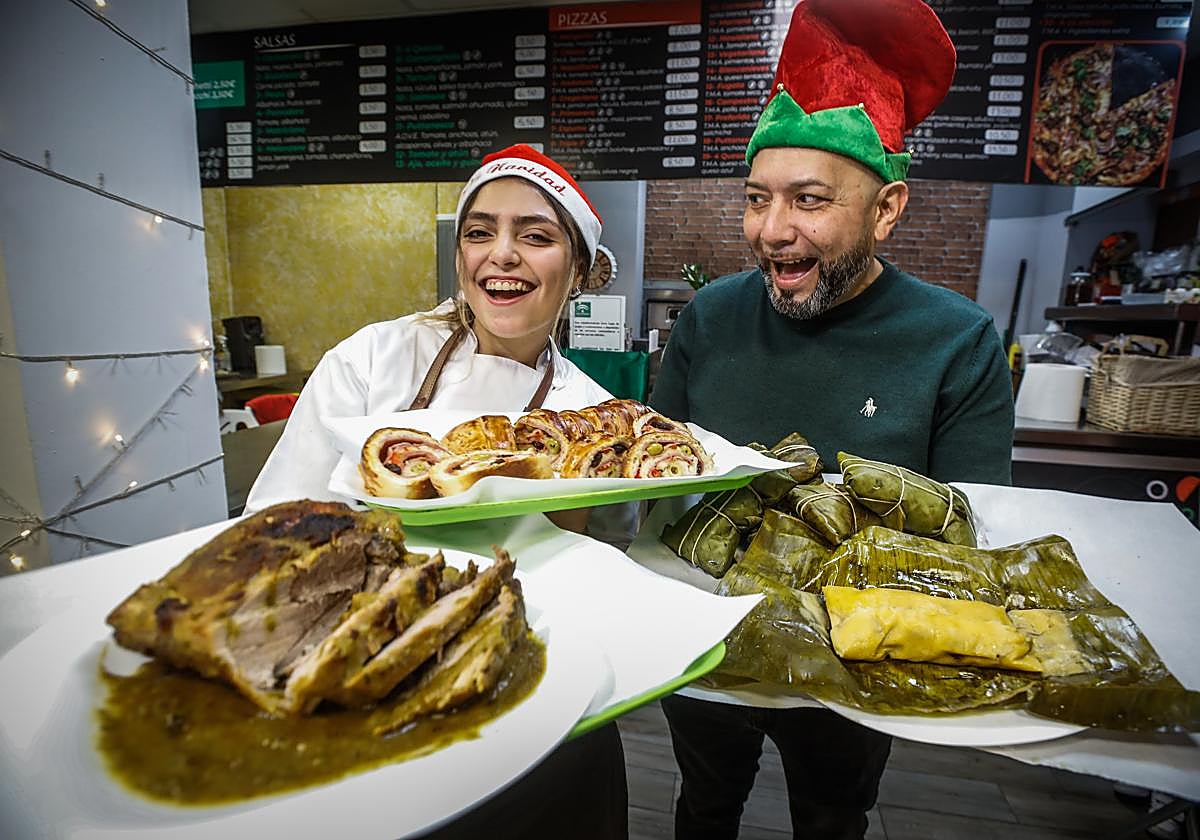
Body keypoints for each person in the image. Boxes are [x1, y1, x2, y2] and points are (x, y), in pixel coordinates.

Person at [648, 1, 1015, 838]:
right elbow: (662, 472)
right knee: (704, 805)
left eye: (809, 200)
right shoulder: (709, 318)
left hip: (857, 650)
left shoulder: (958, 340)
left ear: (886, 209)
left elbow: (970, 524)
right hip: (703, 637)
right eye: (755, 199)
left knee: (832, 814)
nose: (773, 231)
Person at [245, 143, 628, 840]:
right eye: (479, 232)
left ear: (578, 270)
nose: (501, 255)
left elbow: (575, 581)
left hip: (528, 682)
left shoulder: (591, 416)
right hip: (361, 667)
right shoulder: (370, 360)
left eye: (535, 236)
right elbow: (280, 524)